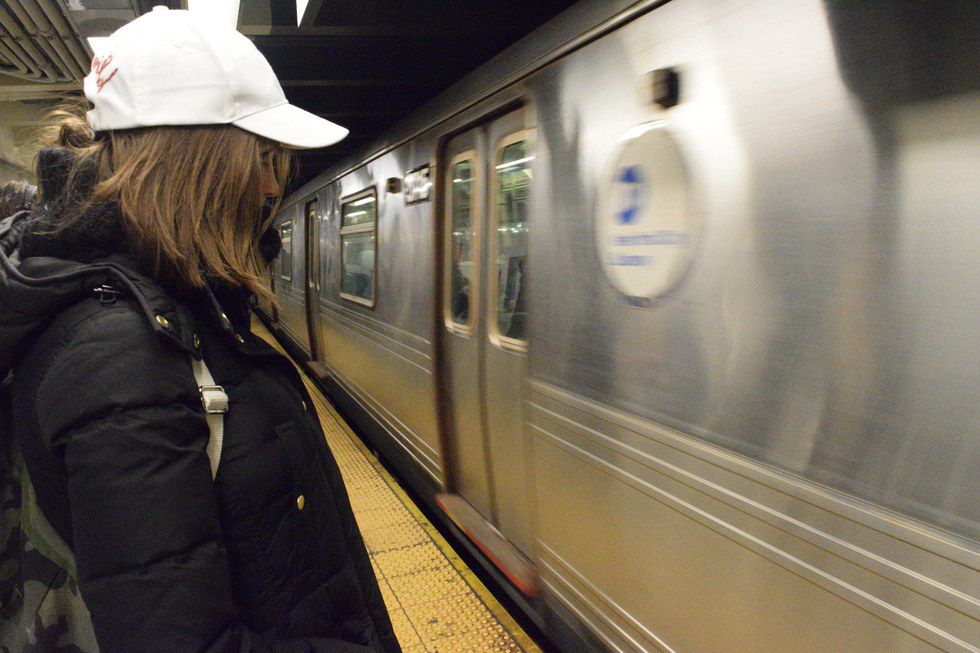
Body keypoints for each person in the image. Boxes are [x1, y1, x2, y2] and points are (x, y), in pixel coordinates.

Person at [0, 7, 399, 652]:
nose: (270, 184)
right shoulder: (120, 361)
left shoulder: (179, 308)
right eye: (261, 157)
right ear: (196, 164)